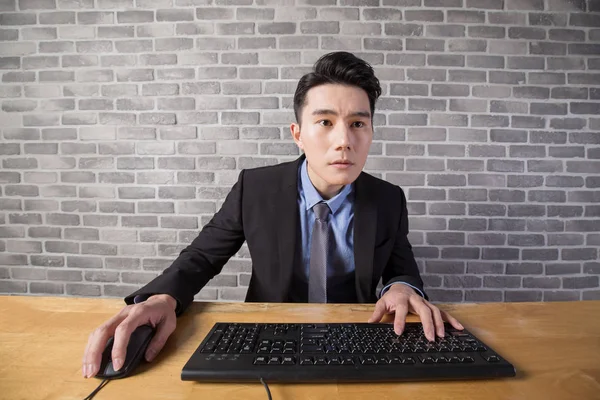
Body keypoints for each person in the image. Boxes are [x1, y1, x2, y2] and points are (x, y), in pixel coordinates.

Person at [82, 51, 464, 379]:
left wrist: (401, 287)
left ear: (371, 132)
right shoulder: (256, 188)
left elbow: (403, 269)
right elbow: (201, 257)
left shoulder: (388, 199)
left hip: (358, 339)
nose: (344, 140)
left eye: (358, 124)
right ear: (297, 133)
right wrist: (161, 298)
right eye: (326, 122)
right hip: (269, 340)